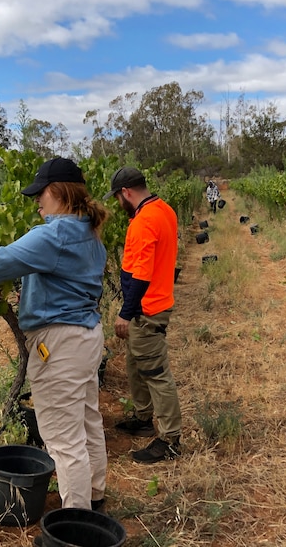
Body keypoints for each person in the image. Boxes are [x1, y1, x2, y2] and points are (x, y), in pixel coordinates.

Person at [0, 157, 109, 511]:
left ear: (59, 192)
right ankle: (95, 495)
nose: (36, 201)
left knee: (63, 439)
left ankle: (77, 525)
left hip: (59, 344)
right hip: (87, 336)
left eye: (40, 193)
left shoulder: (55, 235)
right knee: (88, 421)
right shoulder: (89, 231)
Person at [103, 167, 183, 464]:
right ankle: (142, 416)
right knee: (136, 363)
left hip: (147, 308)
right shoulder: (164, 210)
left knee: (156, 374)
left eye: (118, 198)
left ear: (126, 192)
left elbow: (142, 275)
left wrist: (126, 313)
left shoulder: (143, 221)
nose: (118, 204)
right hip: (153, 303)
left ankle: (170, 440)